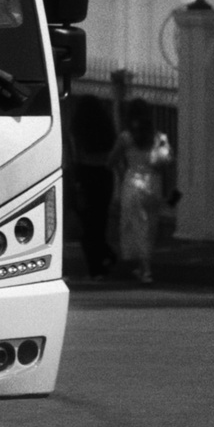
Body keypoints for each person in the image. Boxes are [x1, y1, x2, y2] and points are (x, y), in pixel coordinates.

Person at [109, 99, 171, 285]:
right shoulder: (159, 138)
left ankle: (145, 269)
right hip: (153, 184)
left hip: (133, 182)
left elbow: (111, 160)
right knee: (150, 225)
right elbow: (166, 163)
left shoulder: (126, 138)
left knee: (136, 225)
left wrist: (122, 172)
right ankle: (145, 266)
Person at [65, 93, 118, 279]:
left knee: (87, 223)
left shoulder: (78, 129)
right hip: (104, 175)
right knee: (101, 220)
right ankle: (105, 257)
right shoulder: (106, 128)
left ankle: (95, 266)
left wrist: (75, 182)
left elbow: (75, 156)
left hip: (85, 175)